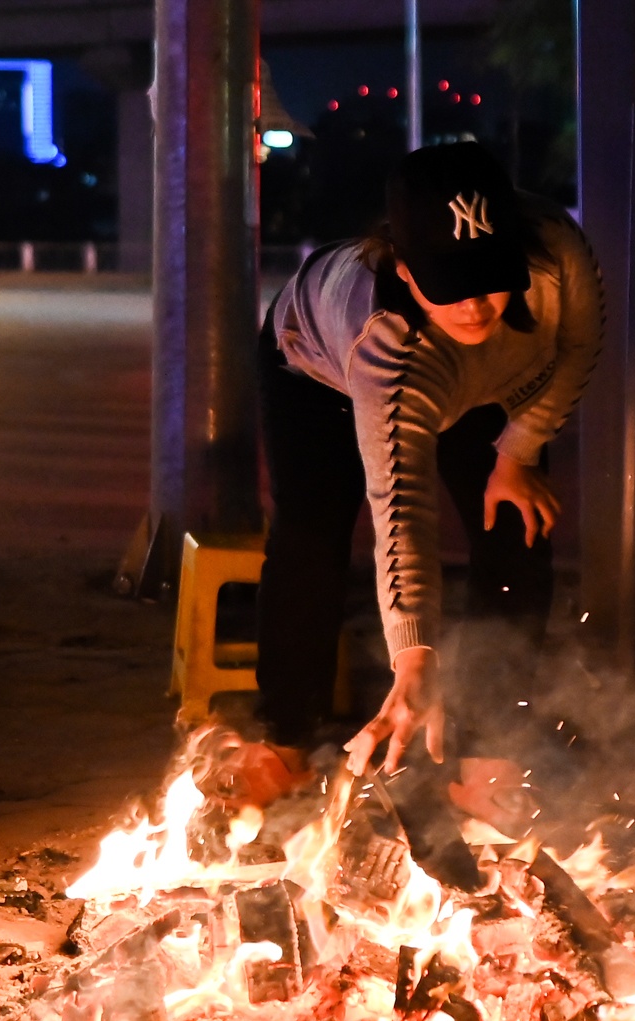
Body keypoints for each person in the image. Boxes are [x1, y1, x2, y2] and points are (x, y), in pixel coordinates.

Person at [255, 142, 603, 778]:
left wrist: (518, 453)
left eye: (489, 279)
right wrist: (415, 658)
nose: (474, 307)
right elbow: (402, 509)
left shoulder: (555, 247)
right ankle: (285, 739)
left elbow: (579, 344)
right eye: (450, 284)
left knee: (518, 532)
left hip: (492, 386)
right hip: (318, 372)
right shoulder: (387, 347)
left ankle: (485, 755)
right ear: (405, 267)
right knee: (312, 532)